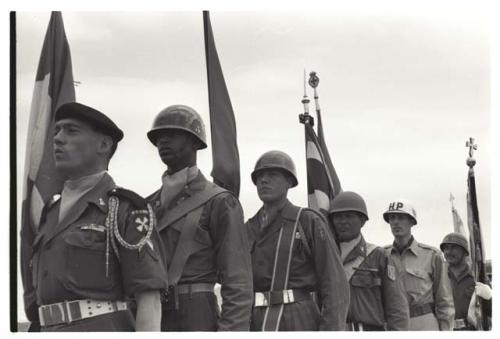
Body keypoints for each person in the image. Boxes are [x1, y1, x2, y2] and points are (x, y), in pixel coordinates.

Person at [20, 102, 167, 331]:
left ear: (103, 144)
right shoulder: (49, 214)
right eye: (57, 130)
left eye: (71, 130)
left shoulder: (126, 209)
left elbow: (150, 300)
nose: (58, 138)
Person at [146, 104, 253, 331]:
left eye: (172, 135)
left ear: (195, 142)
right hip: (151, 313)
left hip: (197, 313)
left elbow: (238, 281)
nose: (163, 142)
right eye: (159, 137)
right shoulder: (146, 205)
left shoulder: (220, 201)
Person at [245, 150, 349, 331]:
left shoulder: (308, 221)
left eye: (272, 174)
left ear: (289, 182)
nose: (263, 180)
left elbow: (334, 284)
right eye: (260, 176)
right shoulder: (247, 228)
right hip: (254, 320)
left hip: (298, 319)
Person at [328, 191, 409, 331]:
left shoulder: (379, 256)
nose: (343, 221)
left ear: (362, 221)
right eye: (338, 217)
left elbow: (397, 308)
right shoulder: (326, 255)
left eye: (349, 216)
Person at [383, 199, 454, 330]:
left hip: (423, 322)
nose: (395, 222)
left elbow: (444, 300)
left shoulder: (432, 255)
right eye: (392, 218)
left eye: (401, 217)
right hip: (392, 323)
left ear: (411, 222)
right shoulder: (382, 256)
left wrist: (446, 330)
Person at [440, 232, 492, 330]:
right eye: (446, 248)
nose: (448, 252)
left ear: (465, 252)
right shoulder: (438, 277)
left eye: (453, 247)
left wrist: (489, 298)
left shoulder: (478, 277)